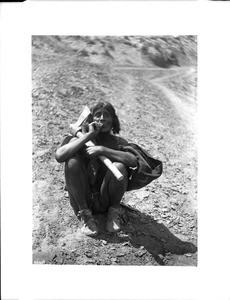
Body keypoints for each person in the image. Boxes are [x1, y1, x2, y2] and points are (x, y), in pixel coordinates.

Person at [55, 102, 138, 236]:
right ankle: (86, 217)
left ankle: (113, 213)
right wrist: (88, 136)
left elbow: (133, 161)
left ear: (113, 121)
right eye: (97, 115)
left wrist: (102, 150)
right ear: (90, 120)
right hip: (82, 200)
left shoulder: (117, 142)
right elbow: (59, 156)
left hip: (104, 201)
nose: (102, 119)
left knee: (120, 166)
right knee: (72, 162)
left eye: (107, 115)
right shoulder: (79, 138)